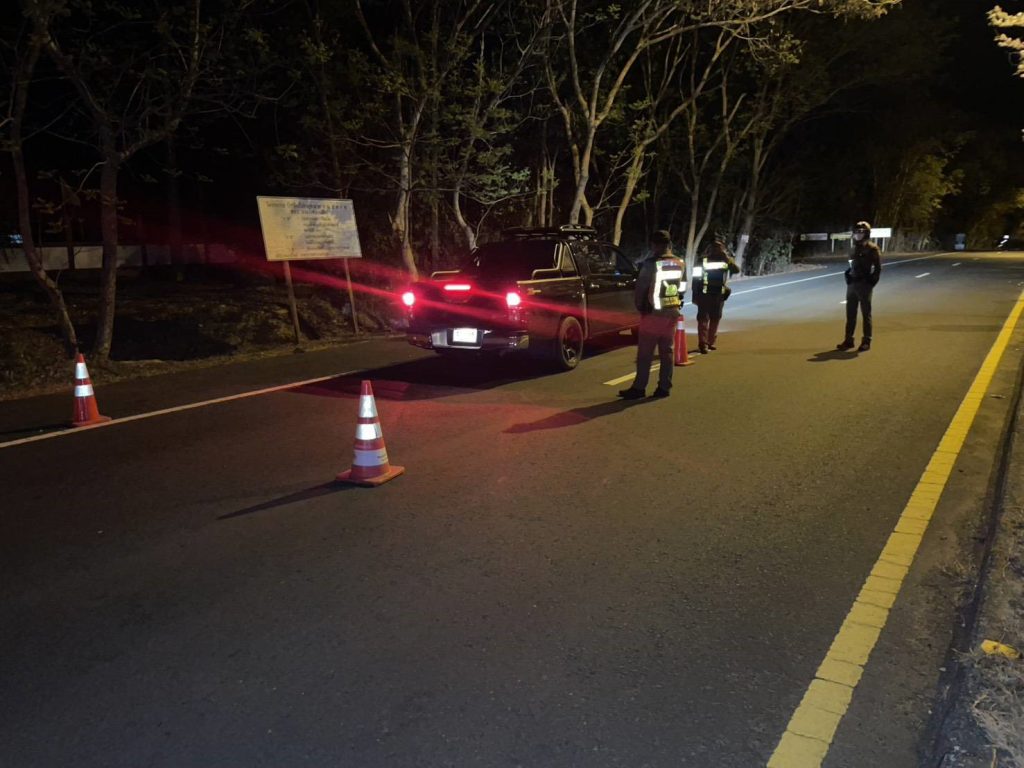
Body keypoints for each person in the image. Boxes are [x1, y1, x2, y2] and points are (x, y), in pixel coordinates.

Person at [618, 230, 685, 399]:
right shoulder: (679, 262)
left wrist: (641, 308)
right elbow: (682, 287)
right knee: (667, 352)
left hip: (653, 313)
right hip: (671, 311)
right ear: (669, 244)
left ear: (654, 245)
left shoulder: (650, 264)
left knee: (645, 354)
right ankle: (664, 387)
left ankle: (639, 388)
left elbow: (641, 288)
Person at [837, 220, 882, 352]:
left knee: (866, 314)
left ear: (866, 233)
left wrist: (871, 283)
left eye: (861, 232)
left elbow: (878, 268)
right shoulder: (853, 249)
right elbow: (851, 265)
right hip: (852, 284)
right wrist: (848, 275)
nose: (858, 234)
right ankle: (848, 340)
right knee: (850, 314)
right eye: (856, 232)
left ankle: (866, 340)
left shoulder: (872, 249)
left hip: (864, 284)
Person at [692, 236, 740, 354]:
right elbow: (696, 278)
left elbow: (736, 270)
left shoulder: (725, 261)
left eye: (719, 248)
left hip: (718, 294)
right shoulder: (703, 260)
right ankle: (704, 344)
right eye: (715, 248)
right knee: (704, 319)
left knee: (715, 318)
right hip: (705, 294)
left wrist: (727, 259)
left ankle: (709, 342)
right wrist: (695, 294)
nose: (717, 250)